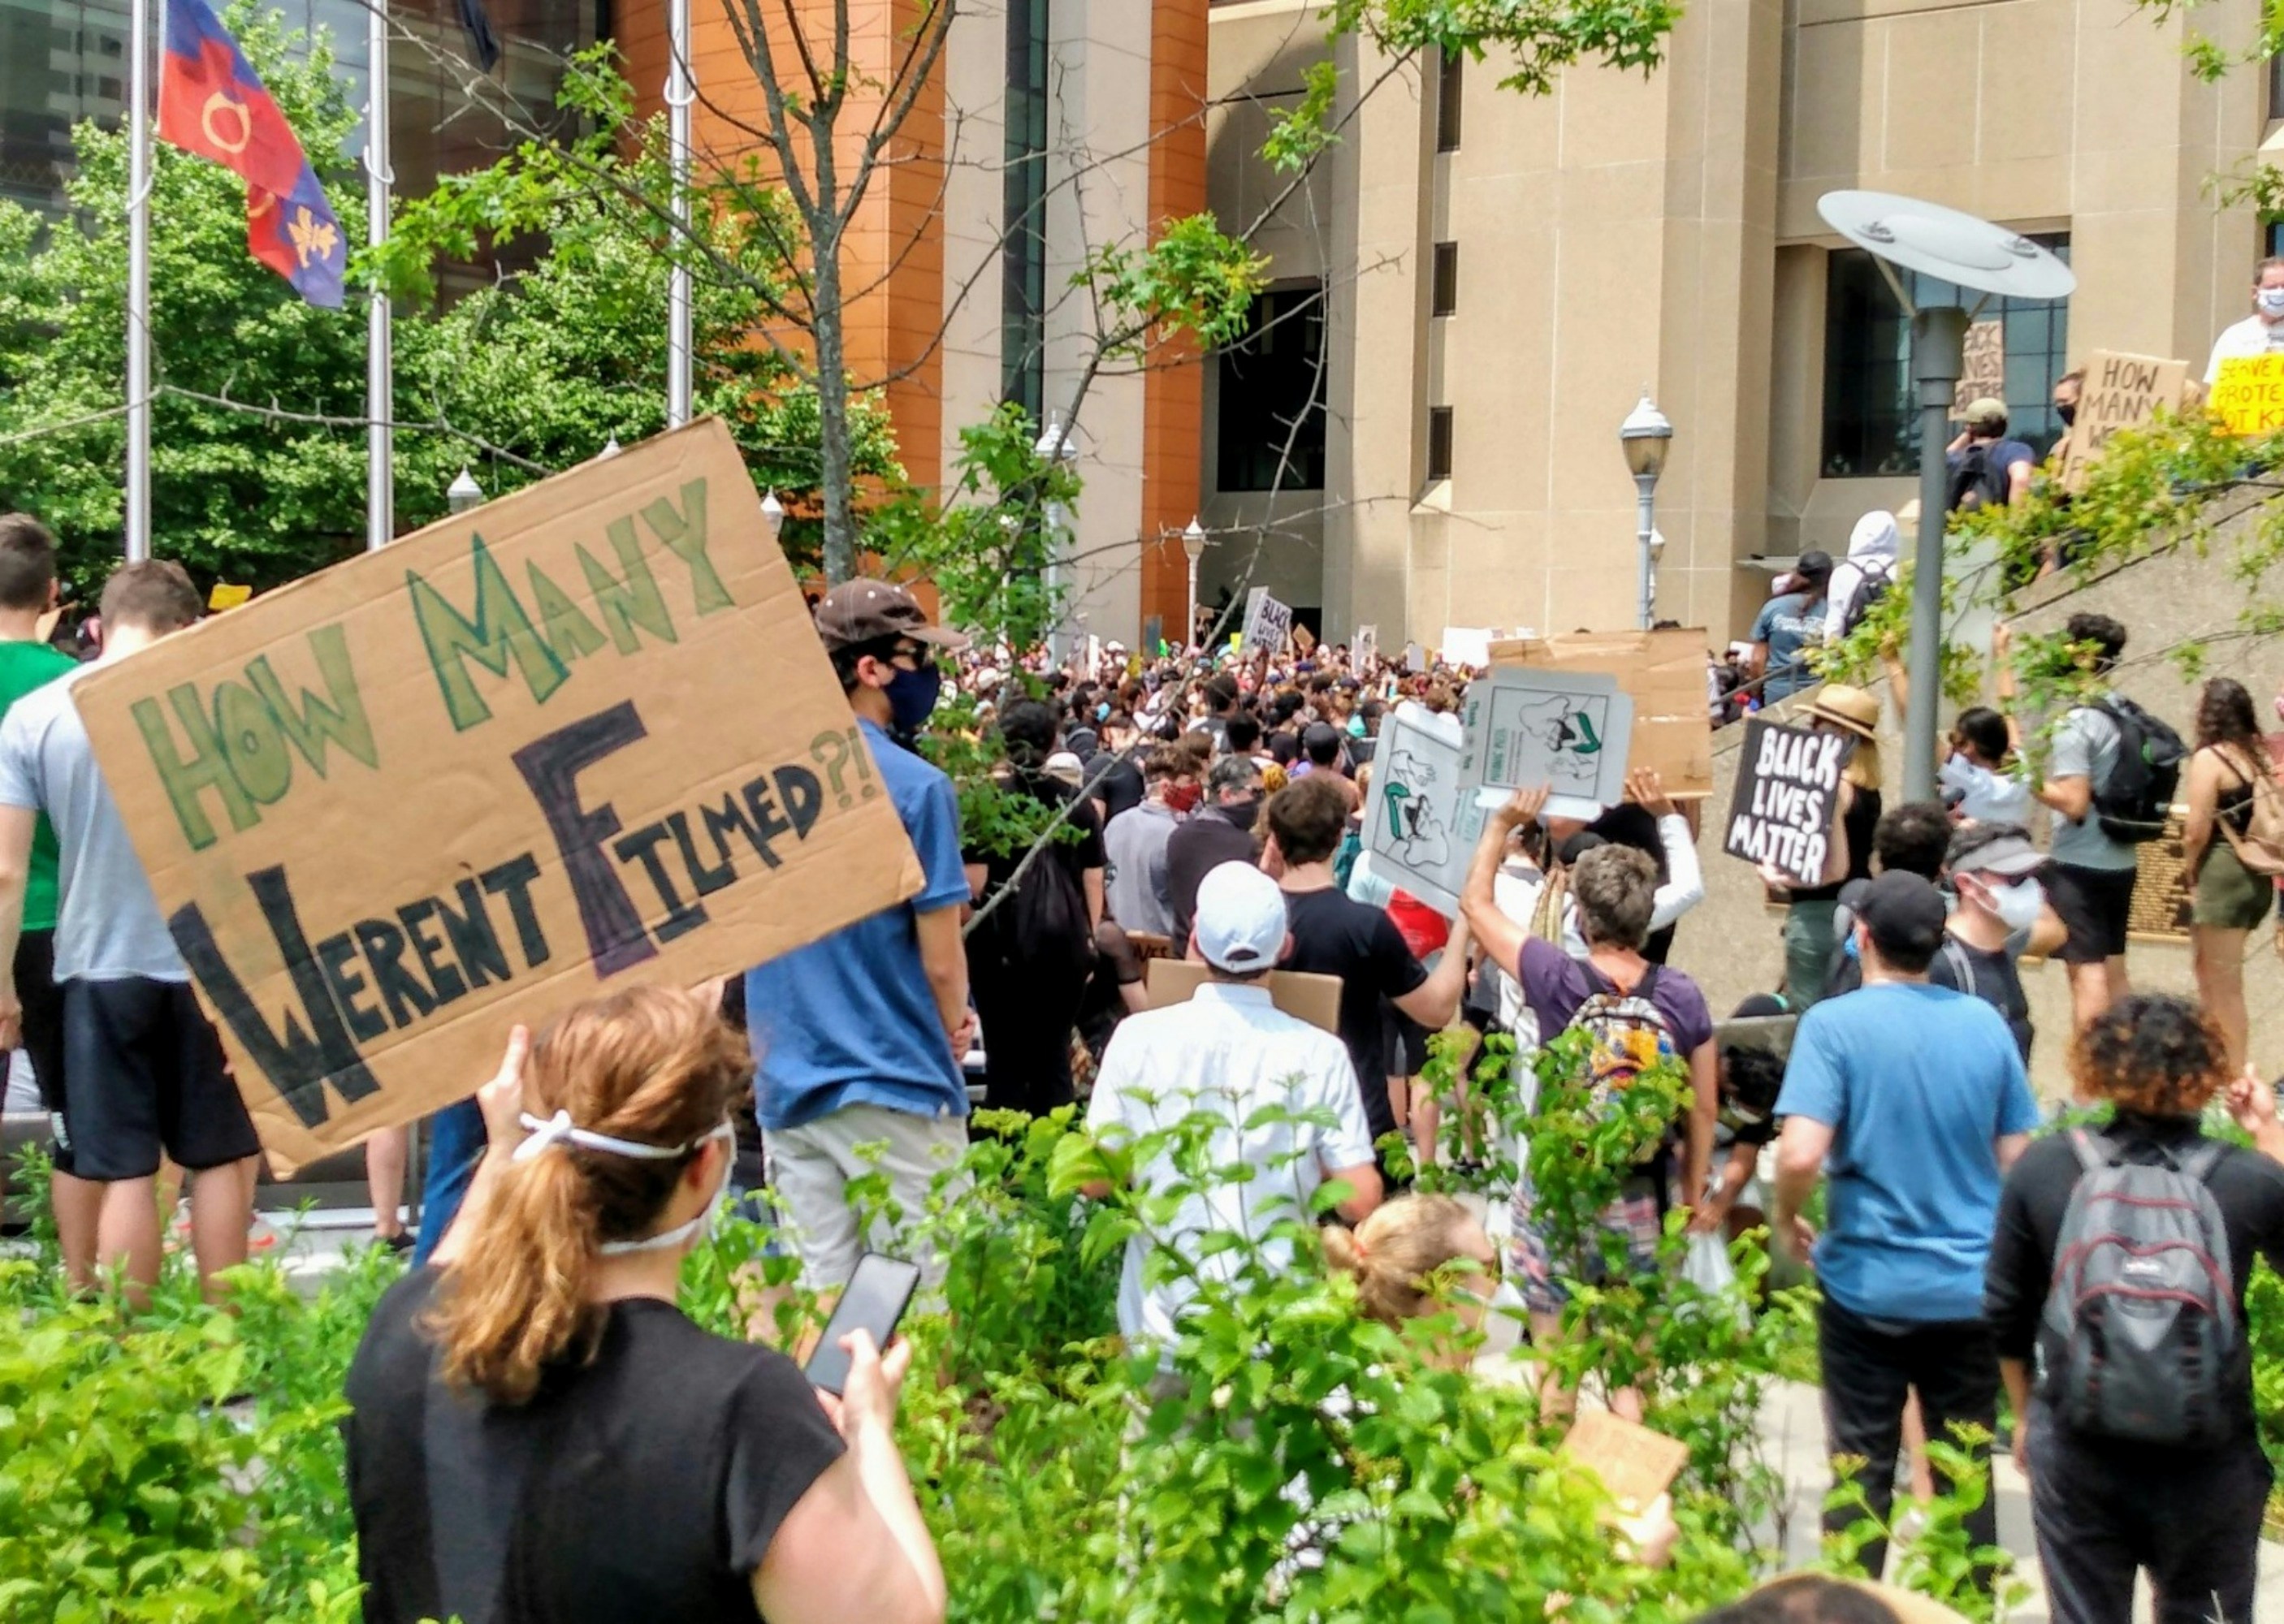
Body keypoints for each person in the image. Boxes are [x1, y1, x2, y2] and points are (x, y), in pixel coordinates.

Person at [346, 988, 947, 1624]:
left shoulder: (406, 1331)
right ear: (707, 1166)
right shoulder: (741, 1409)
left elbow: (458, 1260)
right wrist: (868, 1434)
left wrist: (504, 1148)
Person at [0, 560, 259, 1305]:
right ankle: (226, 1337)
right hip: (208, 965)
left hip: (96, 966)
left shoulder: (38, 717)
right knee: (217, 1158)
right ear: (185, 626)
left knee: (123, 1170)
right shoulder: (216, 706)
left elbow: (8, 872)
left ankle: (127, 1346)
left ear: (103, 625)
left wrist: (5, 986)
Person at [1771, 871, 2037, 1587]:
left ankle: (1850, 1608)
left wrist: (1786, 1214)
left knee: (1859, 1470)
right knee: (1963, 1470)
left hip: (1866, 1288)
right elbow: (2020, 1159)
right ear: (1939, 940)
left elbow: (1799, 1150)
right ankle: (1965, 1608)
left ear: (1861, 937)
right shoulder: (1985, 1023)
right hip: (1970, 1290)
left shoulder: (1834, 1024)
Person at [1985, 995, 2284, 1624]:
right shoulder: (2248, 1180)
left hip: (2078, 1447)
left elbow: (2005, 1311)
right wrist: (2268, 1134)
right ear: (2209, 1073)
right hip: (2209, 1457)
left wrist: (2023, 1417)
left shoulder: (2046, 1168)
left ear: (2095, 1067)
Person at [1460, 788, 1718, 1420]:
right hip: (1645, 1195)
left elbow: (1476, 903)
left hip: (1560, 1192)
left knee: (1557, 1370)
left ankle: (1558, 1498)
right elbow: (1704, 1108)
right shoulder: (1681, 994)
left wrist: (1502, 825)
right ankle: (1642, 1502)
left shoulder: (1557, 977)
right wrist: (1691, 1196)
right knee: (1635, 1374)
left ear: (1581, 914)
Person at [744, 579, 973, 1290]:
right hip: (894, 1080)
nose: (929, 677)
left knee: (823, 1306)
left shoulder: (763, 787)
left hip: (790, 1083)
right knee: (918, 1306)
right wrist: (953, 1026)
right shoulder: (917, 789)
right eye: (916, 658)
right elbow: (942, 962)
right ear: (869, 669)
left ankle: (827, 1409)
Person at [1081, 860, 1382, 1354]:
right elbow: (1360, 1199)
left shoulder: (1138, 1038)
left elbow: (1095, 1179)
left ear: (1195, 937)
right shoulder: (1320, 1052)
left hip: (1160, 1324)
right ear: (1285, 945)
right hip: (1274, 1321)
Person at [1267, 775, 1473, 1162]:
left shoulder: (1256, 916)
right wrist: (1463, 925)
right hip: (1356, 1114)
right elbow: (1436, 1009)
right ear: (1340, 837)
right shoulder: (1363, 925)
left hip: (1274, 1113)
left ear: (1275, 840)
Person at [0, 516, 90, 1283]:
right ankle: (78, 1271)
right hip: (53, 920)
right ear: (53, 594)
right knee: (72, 1105)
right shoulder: (69, 688)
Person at [962, 700, 1105, 1117]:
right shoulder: (1075, 802)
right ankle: (1055, 1156)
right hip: (1063, 948)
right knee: (1054, 1058)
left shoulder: (985, 805)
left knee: (1004, 1060)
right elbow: (1092, 878)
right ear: (1052, 742)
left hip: (998, 950)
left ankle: (1003, 1159)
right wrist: (1088, 936)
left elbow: (973, 884)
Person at [2033, 613, 2139, 1032]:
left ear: (2081, 655)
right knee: (2114, 971)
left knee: (2087, 976)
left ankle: (2090, 1092)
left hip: (2080, 866)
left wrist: (2026, 779)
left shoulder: (2078, 722)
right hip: (2121, 859)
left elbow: (2073, 802)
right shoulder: (2123, 711)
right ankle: (2130, 1073)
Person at [2180, 676, 2279, 1073]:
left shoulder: (2211, 759)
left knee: (2222, 984)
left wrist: (2187, 873)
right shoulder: (2255, 757)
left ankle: (2233, 1077)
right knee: (2209, 973)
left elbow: (2195, 829)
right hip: (2254, 877)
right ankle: (2215, 1068)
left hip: (2223, 875)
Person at [1761, 686, 1883, 1008]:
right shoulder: (1867, 790)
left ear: (1839, 733)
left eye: (1817, 722)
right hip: (1858, 914)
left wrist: (1781, 880)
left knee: (1813, 1022)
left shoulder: (1832, 788)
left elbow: (1834, 869)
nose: (1811, 729)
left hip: (1818, 922)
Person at [1936, 823, 2048, 1062]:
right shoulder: (1939, 962)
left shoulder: (2002, 952)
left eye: (2033, 876)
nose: (2031, 888)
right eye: (2015, 879)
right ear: (1967, 884)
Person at [1164, 754, 1262, 948]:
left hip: (1184, 953)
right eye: (1256, 793)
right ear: (1227, 795)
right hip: (1227, 957)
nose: (1260, 801)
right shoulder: (1246, 845)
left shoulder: (1178, 836)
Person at [1103, 744, 1192, 940]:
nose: (1193, 790)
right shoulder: (1176, 836)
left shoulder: (1115, 824)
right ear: (1166, 787)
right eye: (1188, 783)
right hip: (1160, 946)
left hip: (1117, 943)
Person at [1747, 549, 1834, 702]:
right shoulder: (1833, 611)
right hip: (1817, 694)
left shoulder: (1773, 607)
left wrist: (1756, 695)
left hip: (1776, 692)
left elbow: (1756, 661)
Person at [2202, 255, 2284, 382]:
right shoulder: (2235, 336)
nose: (2279, 292)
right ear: (2255, 293)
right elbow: (2216, 388)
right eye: (2272, 287)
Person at [1944, 399, 2035, 512]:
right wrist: (2015, 519)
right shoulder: (2016, 450)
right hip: (1996, 525)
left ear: (1968, 427)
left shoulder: (1954, 457)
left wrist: (1967, 433)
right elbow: (2021, 479)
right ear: (2005, 424)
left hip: (1959, 527)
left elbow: (1947, 454)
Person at [1823, 511, 1900, 645]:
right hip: (1892, 655)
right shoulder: (1900, 571)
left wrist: (1830, 657)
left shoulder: (1843, 573)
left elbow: (1834, 624)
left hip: (1854, 653)